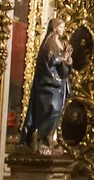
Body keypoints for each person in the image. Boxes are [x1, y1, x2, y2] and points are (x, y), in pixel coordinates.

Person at [20, 17, 73, 151]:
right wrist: (63, 57)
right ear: (55, 28)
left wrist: (68, 61)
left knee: (58, 110)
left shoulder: (59, 44)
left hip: (58, 85)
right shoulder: (49, 43)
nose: (63, 30)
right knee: (51, 109)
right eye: (61, 27)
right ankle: (36, 136)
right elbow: (50, 59)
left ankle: (48, 137)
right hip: (48, 86)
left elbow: (63, 68)